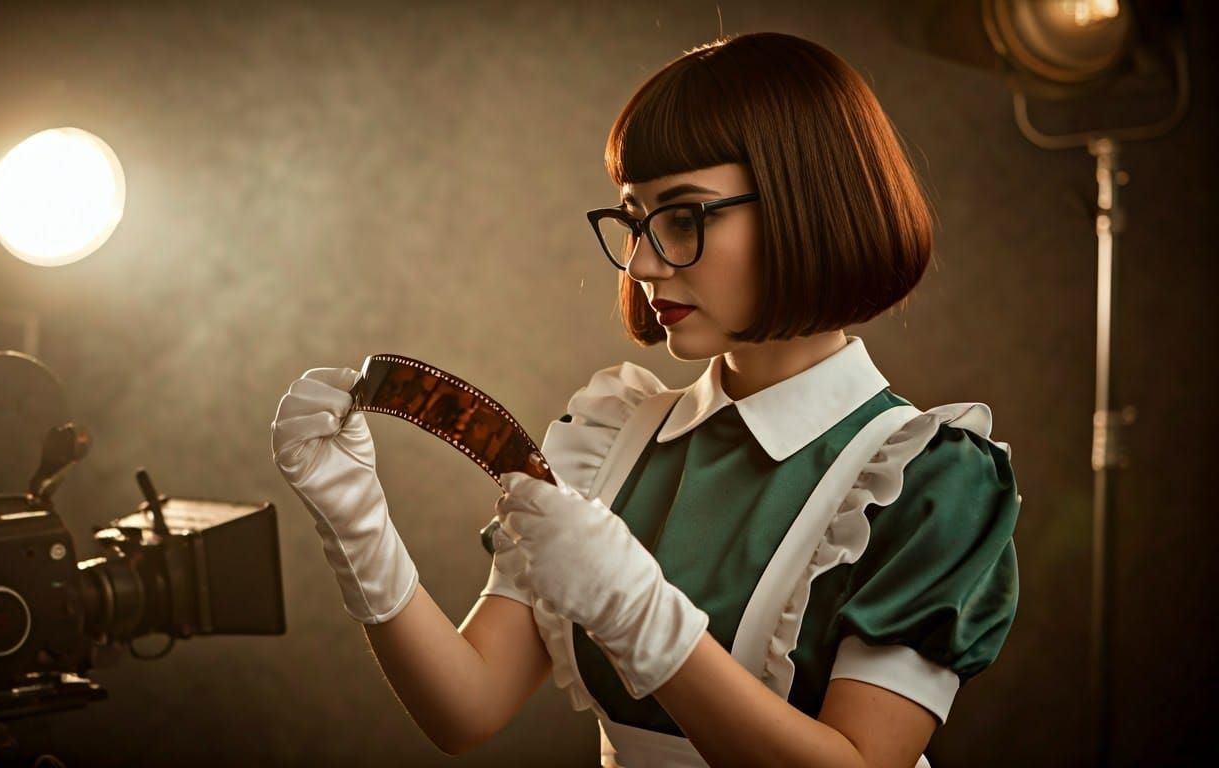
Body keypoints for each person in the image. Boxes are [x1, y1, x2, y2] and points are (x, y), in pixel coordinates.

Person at [271, 32, 1020, 768]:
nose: (641, 262)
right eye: (634, 219)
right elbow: (466, 710)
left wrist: (637, 613)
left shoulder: (929, 479)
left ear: (808, 205)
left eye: (685, 217)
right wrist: (356, 523)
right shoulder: (609, 438)